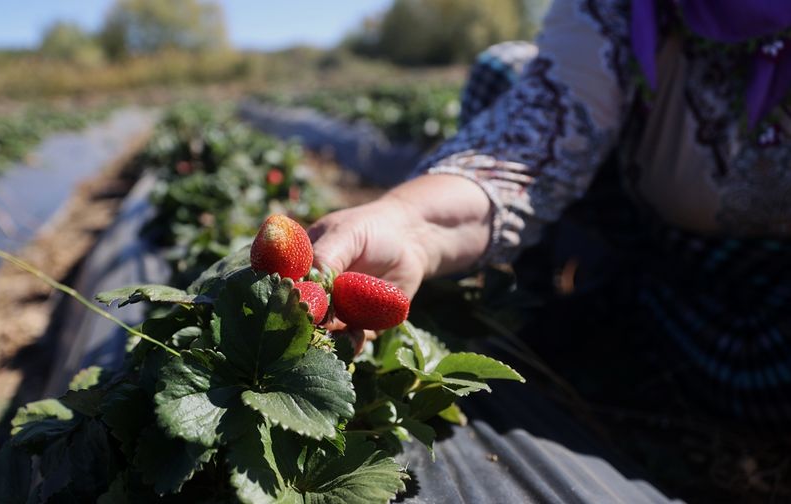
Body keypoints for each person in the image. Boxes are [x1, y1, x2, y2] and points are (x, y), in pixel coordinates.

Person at [309, 0, 791, 424]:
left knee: (757, 370)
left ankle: (621, 313)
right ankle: (541, 312)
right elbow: (534, 135)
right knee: (504, 72)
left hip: (768, 269)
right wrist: (409, 226)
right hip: (639, 210)